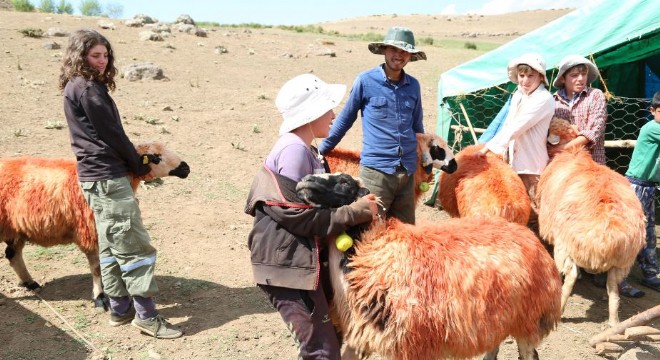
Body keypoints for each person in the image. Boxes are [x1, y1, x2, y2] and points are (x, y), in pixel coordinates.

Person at [244, 73, 378, 359]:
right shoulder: (293, 150)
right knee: (322, 351)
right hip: (290, 267)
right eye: (327, 108)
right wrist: (357, 211)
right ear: (310, 113)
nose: (333, 114)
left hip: (299, 261)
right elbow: (298, 217)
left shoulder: (305, 148)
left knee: (328, 339)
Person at [59, 29, 182, 339]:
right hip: (109, 177)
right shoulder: (89, 90)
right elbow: (113, 135)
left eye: (105, 55)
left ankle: (119, 308)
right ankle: (147, 316)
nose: (102, 61)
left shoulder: (75, 87)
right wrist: (137, 164)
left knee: (112, 245)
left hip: (92, 177)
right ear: (80, 56)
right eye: (95, 56)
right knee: (133, 246)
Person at [318, 26, 427, 224]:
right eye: (394, 49)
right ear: (384, 50)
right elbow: (345, 119)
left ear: (410, 56)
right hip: (377, 171)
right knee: (368, 228)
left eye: (404, 52)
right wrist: (321, 150)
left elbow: (418, 127)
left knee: (404, 232)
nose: (399, 55)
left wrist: (424, 162)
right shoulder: (365, 81)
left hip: (407, 173)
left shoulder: (414, 85)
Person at [479, 53, 555, 232]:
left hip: (532, 165)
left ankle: (542, 251)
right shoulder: (519, 96)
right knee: (517, 208)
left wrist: (488, 148)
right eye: (522, 75)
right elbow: (507, 123)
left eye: (531, 76)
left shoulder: (543, 98)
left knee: (537, 211)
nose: (525, 81)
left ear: (541, 77)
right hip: (513, 162)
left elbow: (517, 126)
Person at [619, 90, 660, 297]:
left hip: (650, 186)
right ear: (652, 110)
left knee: (649, 232)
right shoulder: (651, 128)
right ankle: (619, 279)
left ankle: (650, 274)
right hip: (637, 186)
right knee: (632, 232)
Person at [553, 55, 608, 164]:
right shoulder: (553, 101)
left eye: (584, 74)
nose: (581, 79)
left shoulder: (595, 96)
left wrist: (562, 149)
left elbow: (594, 131)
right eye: (574, 75)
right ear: (563, 78)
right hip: (561, 165)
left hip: (591, 163)